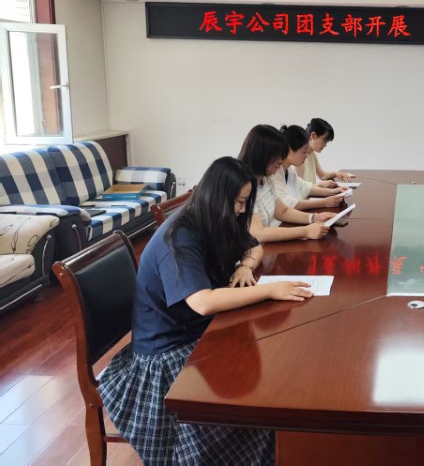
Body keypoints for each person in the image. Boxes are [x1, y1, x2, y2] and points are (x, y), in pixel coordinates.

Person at [98, 156, 313, 465]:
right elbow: (203, 302)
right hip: (164, 354)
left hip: (196, 330)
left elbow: (254, 245)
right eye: (239, 202)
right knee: (254, 389)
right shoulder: (179, 236)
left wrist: (246, 267)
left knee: (265, 366)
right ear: (218, 197)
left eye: (245, 202)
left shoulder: (214, 218)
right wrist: (269, 290)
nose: (242, 210)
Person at [238, 124, 336, 242]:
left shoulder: (266, 178)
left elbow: (282, 211)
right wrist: (306, 231)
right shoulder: (244, 186)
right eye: (277, 156)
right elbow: (259, 233)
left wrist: (314, 217)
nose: (280, 161)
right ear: (262, 154)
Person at [273, 124, 348, 210]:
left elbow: (305, 188)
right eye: (304, 152)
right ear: (290, 150)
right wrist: (324, 202)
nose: (306, 156)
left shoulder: (289, 170)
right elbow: (289, 203)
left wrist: (333, 192)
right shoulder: (275, 172)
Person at [297, 117, 354, 184]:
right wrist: (321, 185)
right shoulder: (298, 156)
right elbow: (298, 187)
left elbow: (322, 176)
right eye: (324, 141)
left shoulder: (311, 154)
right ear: (313, 135)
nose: (325, 145)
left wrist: (336, 174)